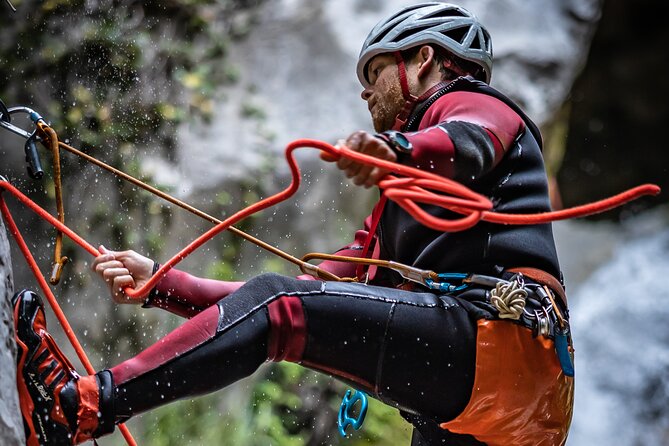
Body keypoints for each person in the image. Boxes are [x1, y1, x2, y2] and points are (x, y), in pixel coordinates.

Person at [12, 3, 574, 445]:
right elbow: (282, 303)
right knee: (281, 305)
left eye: (375, 72)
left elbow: (465, 143)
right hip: (509, 404)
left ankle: (75, 407)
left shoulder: (480, 104)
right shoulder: (388, 225)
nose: (364, 91)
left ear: (423, 60)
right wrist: (160, 284)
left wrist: (394, 149)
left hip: (502, 339)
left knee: (279, 307)